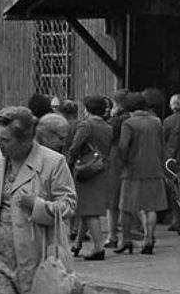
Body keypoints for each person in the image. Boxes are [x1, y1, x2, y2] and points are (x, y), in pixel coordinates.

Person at [0, 106, 77, 294]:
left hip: (35, 256)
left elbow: (69, 205)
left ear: (25, 140)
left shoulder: (53, 162)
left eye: (5, 140)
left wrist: (38, 206)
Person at [116, 91, 167, 255]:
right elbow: (161, 143)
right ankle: (149, 239)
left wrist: (124, 161)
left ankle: (126, 240)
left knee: (126, 207)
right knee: (151, 207)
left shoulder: (129, 123)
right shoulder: (156, 122)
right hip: (154, 168)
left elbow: (123, 146)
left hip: (133, 170)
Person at [67, 95, 115, 260]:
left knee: (89, 210)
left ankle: (98, 247)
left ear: (87, 109)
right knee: (87, 209)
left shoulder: (86, 125)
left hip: (85, 169)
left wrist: (70, 162)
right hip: (101, 168)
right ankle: (78, 244)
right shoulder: (107, 127)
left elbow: (75, 146)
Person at [104, 88, 129, 248]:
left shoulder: (116, 121)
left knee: (112, 202)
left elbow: (107, 136)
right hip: (129, 162)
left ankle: (112, 235)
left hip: (114, 160)